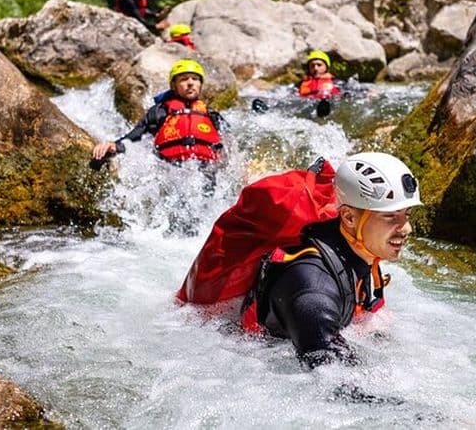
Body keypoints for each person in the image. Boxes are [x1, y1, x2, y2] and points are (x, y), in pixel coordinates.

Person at [241, 152, 421, 367]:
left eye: (407, 215)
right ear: (349, 217)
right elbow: (332, 378)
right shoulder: (313, 289)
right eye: (390, 216)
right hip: (253, 359)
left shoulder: (357, 251)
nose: (406, 229)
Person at [92, 58, 225, 165]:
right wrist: (114, 145)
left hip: (207, 170)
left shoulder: (211, 114)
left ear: (200, 84)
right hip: (171, 170)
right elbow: (135, 137)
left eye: (195, 79)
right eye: (184, 79)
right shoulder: (160, 111)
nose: (190, 83)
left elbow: (231, 146)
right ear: (174, 86)